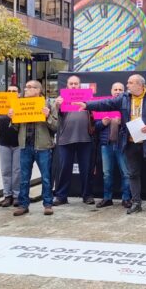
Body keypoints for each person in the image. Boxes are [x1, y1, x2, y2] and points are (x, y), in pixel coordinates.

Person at [76, 74, 146, 214]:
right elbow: (106, 103)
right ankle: (136, 203)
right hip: (130, 142)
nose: (127, 85)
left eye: (130, 83)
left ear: (140, 85)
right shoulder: (124, 98)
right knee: (133, 174)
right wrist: (87, 105)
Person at [10, 80, 59, 217]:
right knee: (24, 178)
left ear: (38, 90)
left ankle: (48, 204)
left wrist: (47, 116)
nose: (26, 89)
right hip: (25, 146)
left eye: (30, 87)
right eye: (25, 87)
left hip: (43, 147)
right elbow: (16, 128)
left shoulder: (48, 104)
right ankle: (23, 205)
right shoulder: (20, 104)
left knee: (46, 177)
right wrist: (12, 118)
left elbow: (56, 127)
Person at [53, 75, 95, 206]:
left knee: (86, 169)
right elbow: (54, 117)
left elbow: (95, 114)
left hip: (85, 138)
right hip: (66, 138)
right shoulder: (60, 99)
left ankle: (87, 195)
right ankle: (61, 196)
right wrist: (57, 106)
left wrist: (90, 104)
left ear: (79, 85)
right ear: (67, 85)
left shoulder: (87, 97)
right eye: (71, 83)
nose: (73, 86)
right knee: (64, 168)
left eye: (75, 83)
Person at [94, 82, 132, 209]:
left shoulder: (128, 106)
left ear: (124, 92)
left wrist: (123, 122)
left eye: (120, 89)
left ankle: (126, 198)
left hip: (122, 145)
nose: (117, 92)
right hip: (106, 144)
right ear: (111, 91)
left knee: (126, 173)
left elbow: (134, 126)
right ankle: (107, 198)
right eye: (115, 89)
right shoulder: (104, 105)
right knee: (107, 173)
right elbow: (95, 127)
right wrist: (103, 123)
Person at [0, 85, 21, 207]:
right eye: (9, 91)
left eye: (14, 91)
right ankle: (7, 195)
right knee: (5, 170)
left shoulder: (22, 105)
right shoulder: (1, 105)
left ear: (19, 94)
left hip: (19, 143)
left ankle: (17, 195)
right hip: (4, 143)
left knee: (17, 171)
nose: (11, 93)